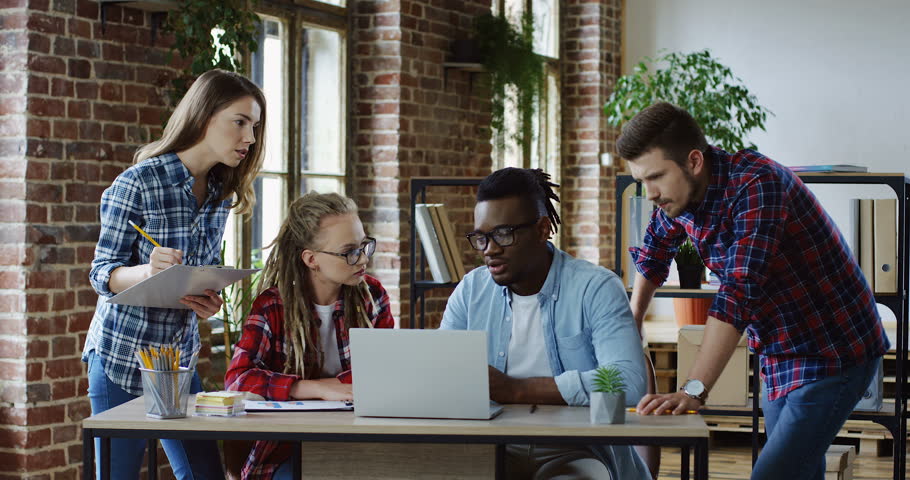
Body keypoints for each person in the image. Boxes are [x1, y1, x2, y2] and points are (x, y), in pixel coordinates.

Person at [624, 102, 889, 480]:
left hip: (835, 350)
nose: (649, 193)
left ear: (694, 161)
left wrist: (693, 390)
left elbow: (738, 293)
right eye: (640, 180)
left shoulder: (756, 184)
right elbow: (653, 252)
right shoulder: (678, 196)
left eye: (655, 177)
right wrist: (633, 320)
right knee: (799, 471)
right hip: (779, 353)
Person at [84, 69, 267, 479]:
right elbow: (101, 274)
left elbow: (193, 275)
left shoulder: (222, 192)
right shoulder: (138, 183)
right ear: (204, 117)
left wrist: (207, 301)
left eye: (254, 126)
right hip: (121, 356)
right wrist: (148, 271)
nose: (250, 138)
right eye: (240, 122)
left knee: (205, 475)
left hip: (177, 359)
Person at [440, 168, 651, 480]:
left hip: (579, 449)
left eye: (503, 234)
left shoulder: (595, 288)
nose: (490, 249)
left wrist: (518, 390)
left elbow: (627, 382)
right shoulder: (472, 291)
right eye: (481, 237)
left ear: (542, 229)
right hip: (490, 447)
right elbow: (442, 374)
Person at [225, 192, 395, 479]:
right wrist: (316, 388)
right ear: (311, 259)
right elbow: (238, 379)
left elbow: (387, 371)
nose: (362, 258)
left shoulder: (372, 295)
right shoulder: (272, 305)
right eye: (349, 251)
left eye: (365, 245)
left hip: (361, 437)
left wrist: (327, 386)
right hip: (287, 447)